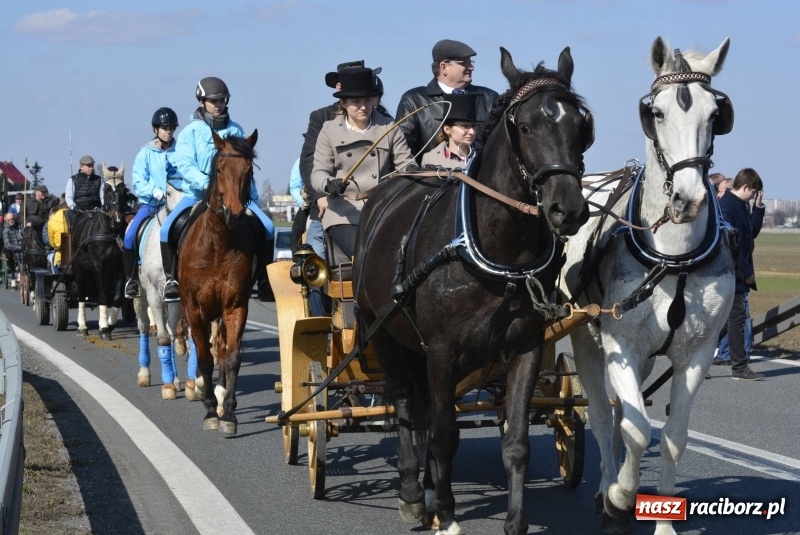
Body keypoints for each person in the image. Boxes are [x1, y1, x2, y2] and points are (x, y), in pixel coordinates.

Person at [160, 76, 274, 302]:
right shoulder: (190, 133)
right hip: (196, 196)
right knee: (166, 229)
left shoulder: (236, 129)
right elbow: (184, 164)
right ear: (202, 102)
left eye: (222, 100)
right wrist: (206, 184)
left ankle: (263, 279)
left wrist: (251, 195)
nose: (219, 105)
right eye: (214, 101)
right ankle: (172, 280)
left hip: (237, 196)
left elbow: (244, 168)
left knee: (269, 226)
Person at [310, 67, 415, 258]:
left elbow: (405, 164)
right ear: (343, 103)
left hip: (383, 208)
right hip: (343, 213)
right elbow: (318, 173)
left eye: (367, 100)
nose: (363, 106)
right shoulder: (329, 130)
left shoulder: (389, 127)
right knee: (368, 253)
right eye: (356, 102)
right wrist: (329, 184)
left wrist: (412, 171)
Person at [300, 60, 382, 259]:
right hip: (331, 199)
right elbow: (310, 160)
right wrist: (320, 195)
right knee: (313, 257)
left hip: (375, 202)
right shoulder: (322, 118)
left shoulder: (384, 120)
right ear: (339, 88)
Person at [396, 39, 499, 164]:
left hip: (480, 180)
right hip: (431, 180)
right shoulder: (414, 100)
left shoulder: (489, 98)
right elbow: (403, 145)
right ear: (444, 67)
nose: (471, 67)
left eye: (470, 62)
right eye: (464, 63)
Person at [123, 107, 179, 298]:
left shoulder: (181, 151)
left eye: (171, 127)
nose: (169, 131)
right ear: (156, 129)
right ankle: (132, 280)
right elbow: (138, 180)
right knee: (130, 236)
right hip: (151, 204)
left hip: (177, 204)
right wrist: (153, 191)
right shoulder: (145, 153)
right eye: (164, 127)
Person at [717, 167, 766, 380]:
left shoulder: (741, 205)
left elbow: (751, 232)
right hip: (732, 273)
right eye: (754, 192)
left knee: (727, 321)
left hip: (740, 273)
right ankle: (739, 368)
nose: (754, 195)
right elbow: (727, 243)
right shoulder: (726, 205)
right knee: (736, 319)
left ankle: (699, 363)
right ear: (745, 186)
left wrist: (758, 206)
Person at [421, 93, 478, 169]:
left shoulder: (486, 155)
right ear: (447, 130)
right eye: (465, 126)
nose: (472, 132)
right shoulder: (430, 160)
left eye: (473, 126)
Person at [288, 157, 309, 254]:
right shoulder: (302, 160)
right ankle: (297, 262)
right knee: (296, 231)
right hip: (309, 203)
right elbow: (295, 186)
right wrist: (301, 202)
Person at [47, 200, 70, 271]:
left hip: (60, 254)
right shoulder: (75, 216)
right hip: (75, 254)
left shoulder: (51, 221)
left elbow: (52, 242)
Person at [2, 212, 23, 288]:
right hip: (11, 251)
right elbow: (7, 244)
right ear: (6, 221)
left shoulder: (19, 227)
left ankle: (22, 272)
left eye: (12, 219)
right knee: (9, 255)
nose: (11, 221)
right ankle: (13, 277)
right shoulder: (6, 231)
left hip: (20, 248)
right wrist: (18, 247)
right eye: (9, 220)